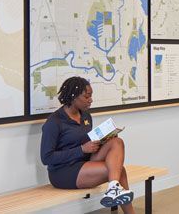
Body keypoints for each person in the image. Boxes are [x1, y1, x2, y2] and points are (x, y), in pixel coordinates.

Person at [40, 77, 136, 211]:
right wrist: (81, 150)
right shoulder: (54, 122)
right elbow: (46, 158)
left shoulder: (85, 116)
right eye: (87, 96)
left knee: (116, 142)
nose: (91, 100)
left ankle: (113, 187)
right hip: (63, 171)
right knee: (120, 171)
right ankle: (117, 194)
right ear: (73, 97)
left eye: (91, 96)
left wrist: (104, 140)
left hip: (85, 161)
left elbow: (85, 142)